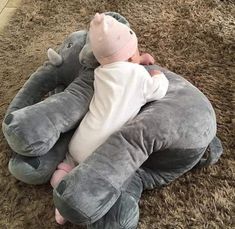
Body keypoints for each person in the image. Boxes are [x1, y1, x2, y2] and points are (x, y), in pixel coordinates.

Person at [50, 12, 169, 224]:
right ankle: (69, 206)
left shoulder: (101, 73)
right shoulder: (140, 77)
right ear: (132, 57)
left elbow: (120, 67)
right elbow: (158, 90)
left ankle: (62, 176)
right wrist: (156, 73)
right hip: (101, 149)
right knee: (95, 178)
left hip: (81, 140)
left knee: (71, 161)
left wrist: (137, 59)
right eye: (136, 52)